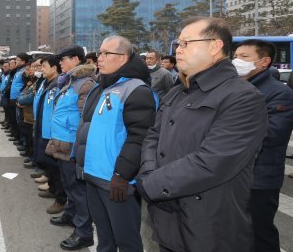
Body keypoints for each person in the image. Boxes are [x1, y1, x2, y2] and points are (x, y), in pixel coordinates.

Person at [137, 17, 267, 252]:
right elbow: (153, 137)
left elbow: (213, 161)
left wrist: (151, 184)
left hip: (208, 223)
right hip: (166, 216)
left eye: (186, 43)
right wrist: (147, 173)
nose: (178, 50)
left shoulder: (242, 97)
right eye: (178, 44)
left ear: (215, 46)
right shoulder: (178, 92)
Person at [74, 36, 157, 252]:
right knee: (104, 236)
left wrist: (122, 175)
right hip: (93, 175)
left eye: (105, 54)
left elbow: (140, 137)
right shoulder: (102, 85)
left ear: (123, 58)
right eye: (99, 53)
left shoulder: (136, 90)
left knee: (126, 240)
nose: (98, 58)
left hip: (116, 182)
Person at [233, 39, 293, 252]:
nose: (236, 61)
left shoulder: (279, 93)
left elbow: (272, 135)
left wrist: (225, 131)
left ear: (264, 61)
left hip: (259, 179)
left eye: (244, 57)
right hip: (228, 177)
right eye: (236, 56)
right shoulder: (231, 88)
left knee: (259, 234)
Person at [46, 45, 96, 251]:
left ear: (76, 59)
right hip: (61, 141)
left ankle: (84, 233)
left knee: (78, 190)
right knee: (68, 185)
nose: (60, 63)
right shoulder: (70, 81)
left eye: (63, 59)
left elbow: (86, 118)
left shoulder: (85, 83)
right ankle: (70, 215)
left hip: (71, 144)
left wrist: (78, 145)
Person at [33, 55, 67, 214]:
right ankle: (53, 189)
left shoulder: (59, 84)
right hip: (43, 130)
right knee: (50, 167)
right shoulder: (47, 83)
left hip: (52, 133)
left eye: (44, 66)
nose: (41, 70)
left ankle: (60, 200)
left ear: (54, 68)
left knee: (56, 168)